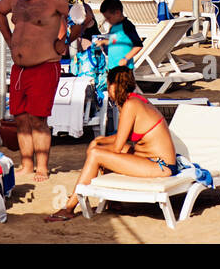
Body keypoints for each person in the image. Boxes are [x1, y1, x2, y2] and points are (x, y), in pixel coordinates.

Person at [0, 0, 87, 181]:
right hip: (19, 68)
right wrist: (9, 38)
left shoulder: (54, 0)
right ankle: (26, 164)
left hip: (45, 66)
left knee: (38, 119)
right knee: (20, 117)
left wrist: (65, 40)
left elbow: (83, 16)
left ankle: (42, 166)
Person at [45, 66, 178, 221]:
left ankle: (69, 207)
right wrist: (97, 141)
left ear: (114, 86)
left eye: (108, 86)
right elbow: (122, 137)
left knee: (96, 154)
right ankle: (113, 201)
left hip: (160, 165)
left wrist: (96, 145)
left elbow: (117, 146)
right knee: (98, 148)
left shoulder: (131, 105)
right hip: (149, 159)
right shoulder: (135, 100)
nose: (108, 90)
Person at [93, 0, 143, 71]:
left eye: (108, 18)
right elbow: (114, 41)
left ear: (118, 13)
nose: (107, 20)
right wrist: (103, 42)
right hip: (112, 66)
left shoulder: (127, 26)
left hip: (124, 68)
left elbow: (138, 45)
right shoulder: (113, 27)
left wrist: (125, 59)